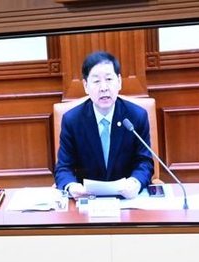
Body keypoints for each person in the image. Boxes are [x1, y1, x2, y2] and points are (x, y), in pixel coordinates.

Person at [54, 51, 154, 199]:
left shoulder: (136, 116)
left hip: (126, 199)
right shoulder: (72, 120)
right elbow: (63, 167)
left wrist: (135, 182)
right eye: (96, 81)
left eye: (109, 79)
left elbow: (144, 162)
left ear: (119, 82)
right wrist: (72, 186)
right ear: (86, 86)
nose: (104, 88)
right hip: (86, 198)